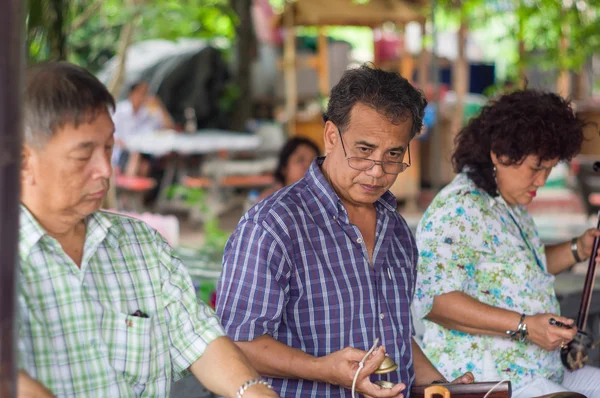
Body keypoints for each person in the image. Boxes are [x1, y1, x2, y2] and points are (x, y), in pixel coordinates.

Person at [17, 62, 278, 398]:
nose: (104, 170)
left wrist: (252, 390)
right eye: (83, 156)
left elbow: (198, 336)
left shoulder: (140, 245)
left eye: (109, 149)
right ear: (25, 162)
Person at [216, 64, 474, 398]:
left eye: (393, 155)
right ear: (331, 137)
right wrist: (322, 369)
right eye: (364, 151)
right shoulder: (272, 226)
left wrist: (443, 386)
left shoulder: (396, 229)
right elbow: (235, 344)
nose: (376, 172)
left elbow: (393, 334)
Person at [414, 89, 600, 398]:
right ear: (500, 153)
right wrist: (526, 326)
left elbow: (521, 270)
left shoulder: (507, 203)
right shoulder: (459, 208)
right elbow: (435, 302)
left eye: (550, 168)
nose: (542, 180)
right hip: (493, 379)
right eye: (537, 167)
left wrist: (578, 249)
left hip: (540, 369)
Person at [112, 81, 175, 176]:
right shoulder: (120, 111)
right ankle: (130, 184)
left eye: (146, 93)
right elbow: (112, 137)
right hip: (122, 152)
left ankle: (137, 187)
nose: (144, 96)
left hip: (144, 152)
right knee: (136, 155)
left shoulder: (149, 112)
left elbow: (169, 127)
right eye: (141, 92)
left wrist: (160, 106)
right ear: (131, 94)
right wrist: (130, 146)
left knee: (146, 162)